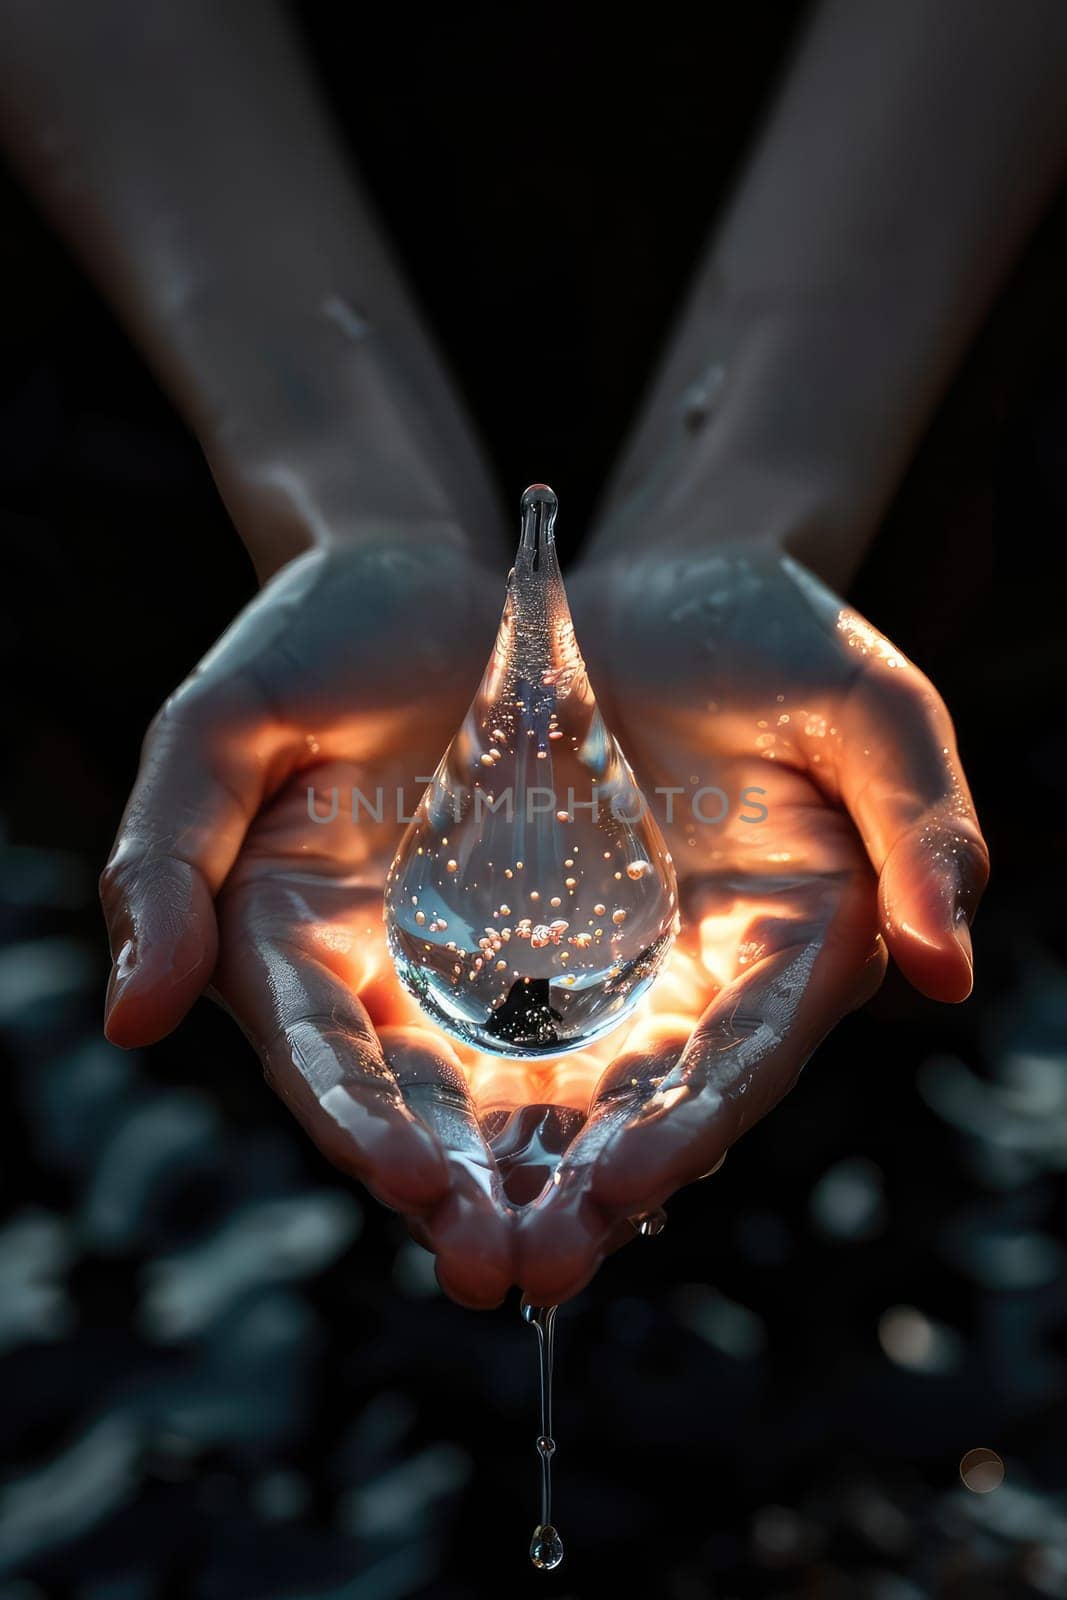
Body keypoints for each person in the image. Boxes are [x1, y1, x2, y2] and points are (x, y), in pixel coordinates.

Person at [1, 0, 1063, 1310]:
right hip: (194, 377)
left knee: (888, 1109)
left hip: (887, 347)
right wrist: (341, 484)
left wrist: (753, 487)